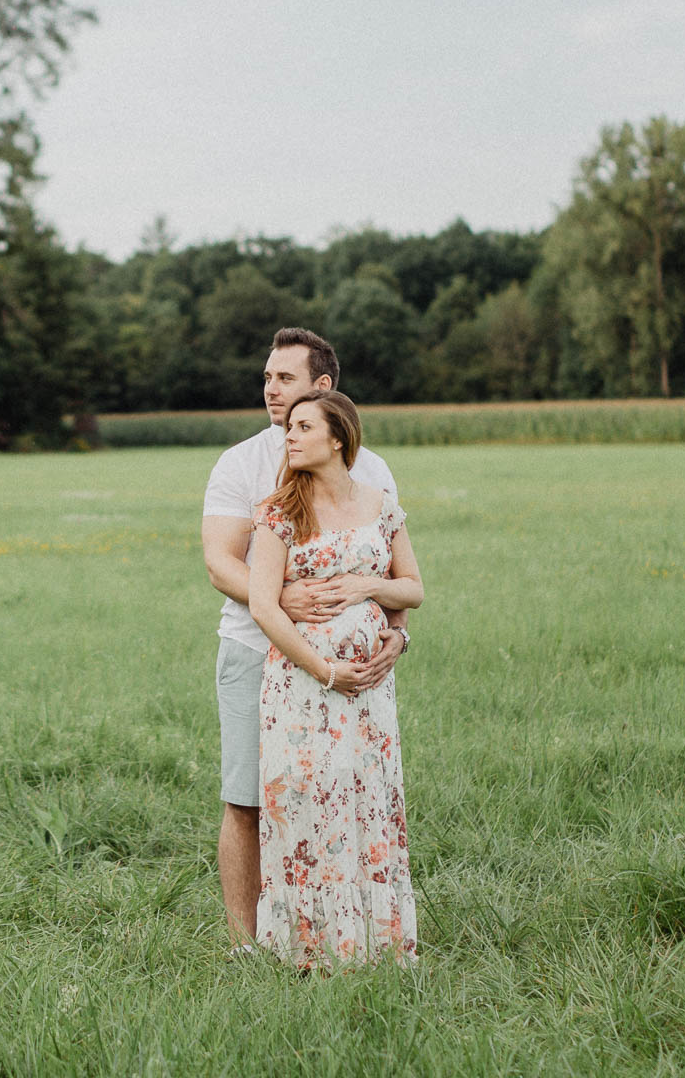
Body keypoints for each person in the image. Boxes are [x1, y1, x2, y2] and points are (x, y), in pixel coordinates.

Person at [200, 328, 407, 953]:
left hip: (353, 668)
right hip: (251, 651)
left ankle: (332, 936)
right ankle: (246, 948)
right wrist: (277, 597)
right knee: (249, 798)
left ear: (326, 388)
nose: (270, 390)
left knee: (343, 794)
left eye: (284, 378)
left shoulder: (371, 470)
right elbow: (219, 561)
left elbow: (391, 571)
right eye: (266, 377)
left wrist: (398, 635)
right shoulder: (242, 462)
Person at [247, 389, 422, 968]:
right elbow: (264, 606)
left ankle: (375, 943)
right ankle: (310, 949)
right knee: (306, 801)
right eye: (288, 428)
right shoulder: (279, 511)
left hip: (370, 690)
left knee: (366, 800)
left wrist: (370, 588)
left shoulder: (381, 505)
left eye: (302, 427)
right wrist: (325, 671)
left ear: (337, 438)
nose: (289, 436)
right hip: (302, 686)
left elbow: (413, 589)